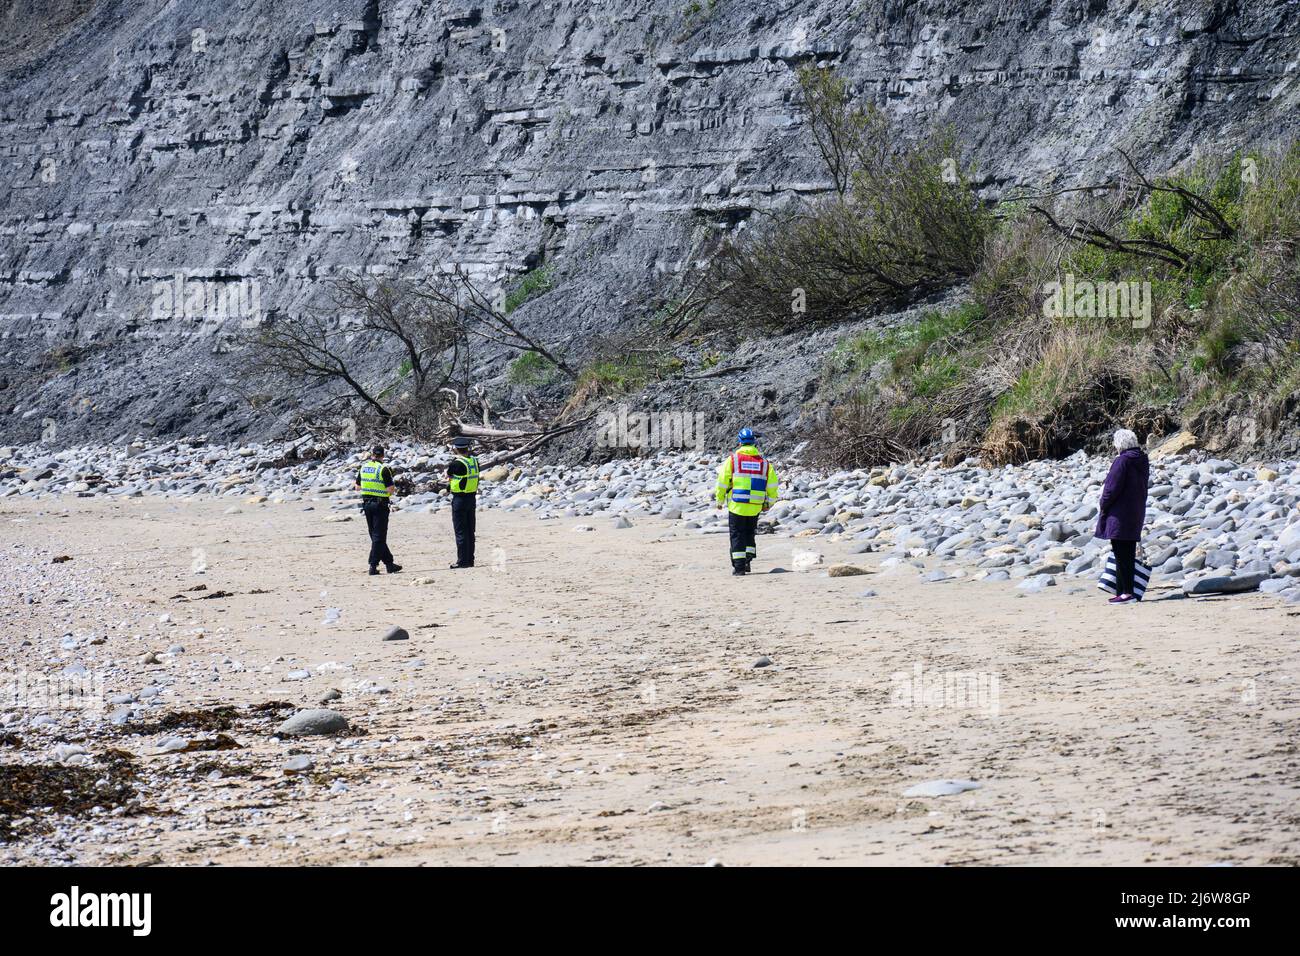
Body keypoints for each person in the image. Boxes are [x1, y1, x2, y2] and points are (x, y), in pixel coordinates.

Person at [715, 427, 779, 575]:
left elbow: (723, 481)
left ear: (739, 443)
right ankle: (747, 561)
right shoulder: (764, 463)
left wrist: (719, 500)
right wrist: (769, 503)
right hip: (755, 506)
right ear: (754, 443)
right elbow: (772, 485)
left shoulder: (733, 460)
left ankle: (739, 568)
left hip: (737, 505)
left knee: (737, 535)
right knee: (749, 533)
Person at [1096, 428, 1149, 604]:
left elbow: (1111, 489)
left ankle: (1127, 593)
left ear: (1120, 444)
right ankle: (1123, 591)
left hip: (1119, 514)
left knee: (1121, 553)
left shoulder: (1122, 461)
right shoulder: (1142, 459)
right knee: (1127, 553)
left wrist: (1103, 504)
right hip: (1136, 512)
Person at [354, 445, 401, 576]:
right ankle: (373, 565)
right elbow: (390, 490)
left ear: (372, 454)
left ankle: (389, 564)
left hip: (367, 505)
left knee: (375, 536)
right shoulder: (383, 469)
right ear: (383, 456)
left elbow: (357, 487)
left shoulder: (363, 467)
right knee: (379, 536)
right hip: (380, 505)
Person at [446, 436, 479, 569]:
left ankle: (462, 561)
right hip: (471, 498)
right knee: (470, 531)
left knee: (460, 531)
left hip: (459, 499)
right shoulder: (474, 462)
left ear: (456, 449)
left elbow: (449, 475)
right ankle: (470, 560)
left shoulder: (456, 463)